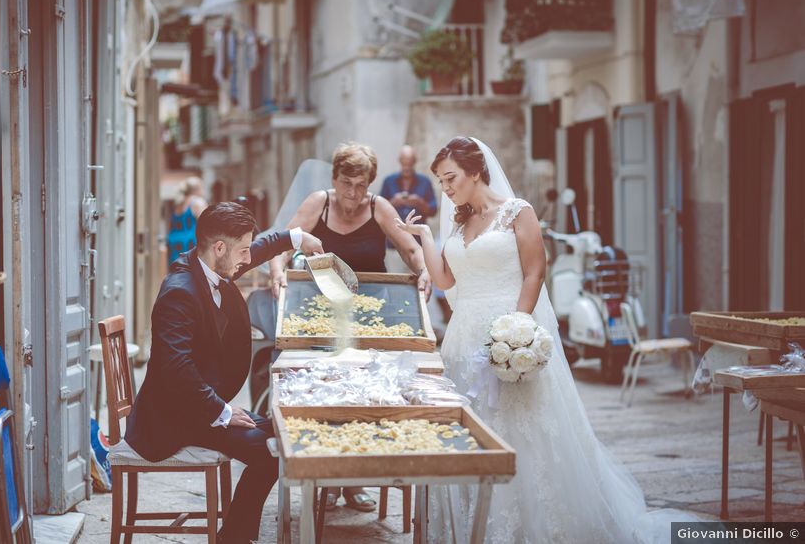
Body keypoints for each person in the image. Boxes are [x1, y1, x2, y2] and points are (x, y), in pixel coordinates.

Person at [394, 137, 695, 543]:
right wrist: (425, 240)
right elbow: (447, 280)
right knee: (473, 431)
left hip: (507, 331)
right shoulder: (460, 222)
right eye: (442, 181)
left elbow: (535, 271)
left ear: (476, 170)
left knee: (522, 430)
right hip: (463, 340)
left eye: (451, 179)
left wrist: (517, 332)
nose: (445, 189)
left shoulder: (518, 212)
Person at [124, 202, 324, 544]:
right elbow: (176, 369)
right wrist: (223, 412)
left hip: (197, 407)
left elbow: (256, 250)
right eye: (241, 251)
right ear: (219, 248)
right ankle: (235, 537)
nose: (247, 259)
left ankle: (235, 534)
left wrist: (295, 237)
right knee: (271, 450)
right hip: (172, 417)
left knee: (284, 434)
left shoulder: (209, 265)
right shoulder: (178, 293)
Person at [268, 142, 431, 513]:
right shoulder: (317, 203)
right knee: (323, 391)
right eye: (346, 184)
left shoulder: (379, 207)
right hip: (318, 313)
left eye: (360, 186)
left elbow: (409, 249)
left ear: (370, 184)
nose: (353, 195)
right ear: (334, 179)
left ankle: (354, 480)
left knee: (364, 394)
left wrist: (423, 272)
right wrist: (277, 272)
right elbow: (284, 243)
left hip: (373, 318)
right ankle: (323, 474)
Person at [379, 145, 437, 273]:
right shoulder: (389, 181)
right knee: (394, 280)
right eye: (404, 163)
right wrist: (394, 202)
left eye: (409, 164)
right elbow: (377, 209)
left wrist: (419, 202)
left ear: (414, 162)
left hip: (419, 244)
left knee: (418, 281)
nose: (406, 167)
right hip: (394, 244)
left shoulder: (425, 182)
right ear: (400, 161)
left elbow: (433, 210)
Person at [167, 176, 208, 263]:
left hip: (174, 243)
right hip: (190, 243)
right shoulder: (198, 202)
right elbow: (207, 223)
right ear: (197, 189)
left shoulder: (179, 202)